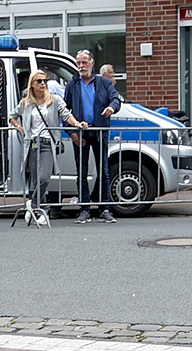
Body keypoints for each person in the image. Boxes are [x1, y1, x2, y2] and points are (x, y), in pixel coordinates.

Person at [10, 70, 86, 215]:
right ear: (32, 84)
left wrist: (76, 124)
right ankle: (39, 209)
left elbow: (66, 114)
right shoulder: (26, 103)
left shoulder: (54, 99)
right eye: (39, 81)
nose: (43, 83)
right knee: (35, 180)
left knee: (44, 178)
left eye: (44, 80)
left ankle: (32, 203)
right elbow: (12, 116)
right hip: (32, 144)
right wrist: (20, 127)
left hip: (47, 144)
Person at [65, 51, 120, 222]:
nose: (81, 66)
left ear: (92, 63)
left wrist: (111, 107)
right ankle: (84, 209)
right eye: (78, 63)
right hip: (80, 132)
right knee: (81, 172)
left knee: (103, 171)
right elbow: (64, 111)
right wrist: (72, 133)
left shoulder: (103, 83)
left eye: (84, 62)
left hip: (99, 131)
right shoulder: (72, 84)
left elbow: (116, 99)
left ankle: (104, 209)